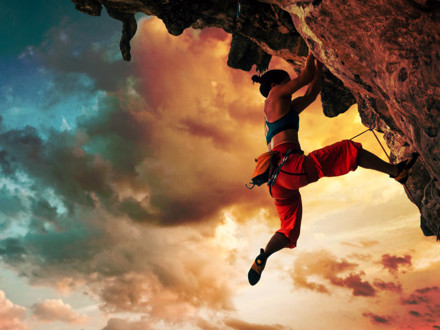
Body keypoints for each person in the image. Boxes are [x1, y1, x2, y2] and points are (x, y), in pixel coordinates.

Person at [248, 51, 419, 286]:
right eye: (287, 81)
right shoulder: (275, 94)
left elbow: (311, 92)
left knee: (287, 230)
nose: (290, 84)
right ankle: (396, 171)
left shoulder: (276, 111)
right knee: (350, 151)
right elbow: (306, 76)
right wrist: (310, 51)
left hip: (277, 183)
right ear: (276, 84)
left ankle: (264, 256)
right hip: (291, 168)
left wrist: (319, 66)